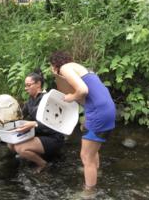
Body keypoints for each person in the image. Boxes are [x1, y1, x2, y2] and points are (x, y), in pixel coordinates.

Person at [49, 51, 116, 195]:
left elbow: (83, 90)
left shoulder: (65, 68)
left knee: (86, 156)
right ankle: (95, 172)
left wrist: (70, 97)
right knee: (92, 151)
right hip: (106, 108)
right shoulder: (80, 68)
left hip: (98, 112)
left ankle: (89, 193)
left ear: (55, 65)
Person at [7, 69, 65, 173]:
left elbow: (55, 123)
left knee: (21, 149)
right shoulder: (30, 100)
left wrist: (34, 124)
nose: (26, 88)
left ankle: (43, 164)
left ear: (38, 84)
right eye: (25, 85)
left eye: (28, 85)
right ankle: (34, 154)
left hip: (53, 137)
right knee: (10, 143)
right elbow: (19, 117)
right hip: (39, 134)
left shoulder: (48, 99)